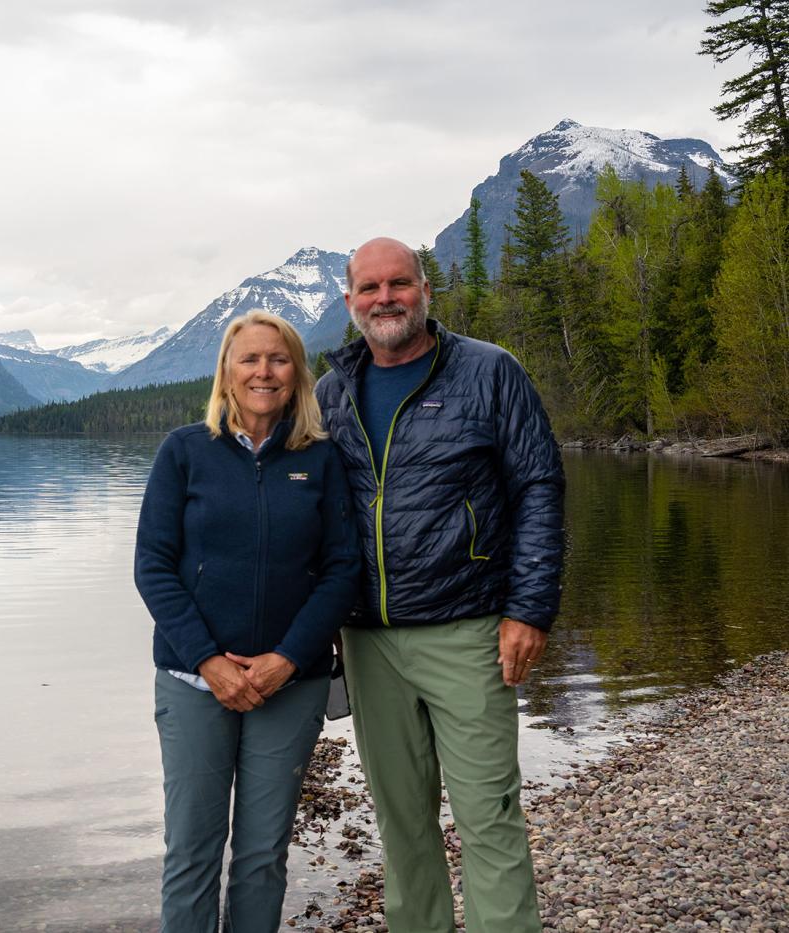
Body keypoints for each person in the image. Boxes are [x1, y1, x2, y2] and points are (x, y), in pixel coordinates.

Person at [314, 237, 564, 933]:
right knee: (402, 826)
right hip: (367, 640)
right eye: (370, 287)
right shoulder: (333, 391)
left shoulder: (488, 371)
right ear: (350, 302)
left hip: (470, 629)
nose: (385, 298)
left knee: (488, 815)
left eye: (399, 283)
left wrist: (530, 606)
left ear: (426, 290)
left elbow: (538, 487)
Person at [135, 310, 361, 933]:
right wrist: (208, 660)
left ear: (297, 374)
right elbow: (152, 566)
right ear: (227, 374)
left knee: (263, 856)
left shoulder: (320, 459)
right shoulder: (184, 451)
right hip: (192, 682)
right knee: (191, 853)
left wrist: (286, 658)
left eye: (278, 359)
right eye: (250, 359)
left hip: (292, 683)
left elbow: (343, 569)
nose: (264, 371)